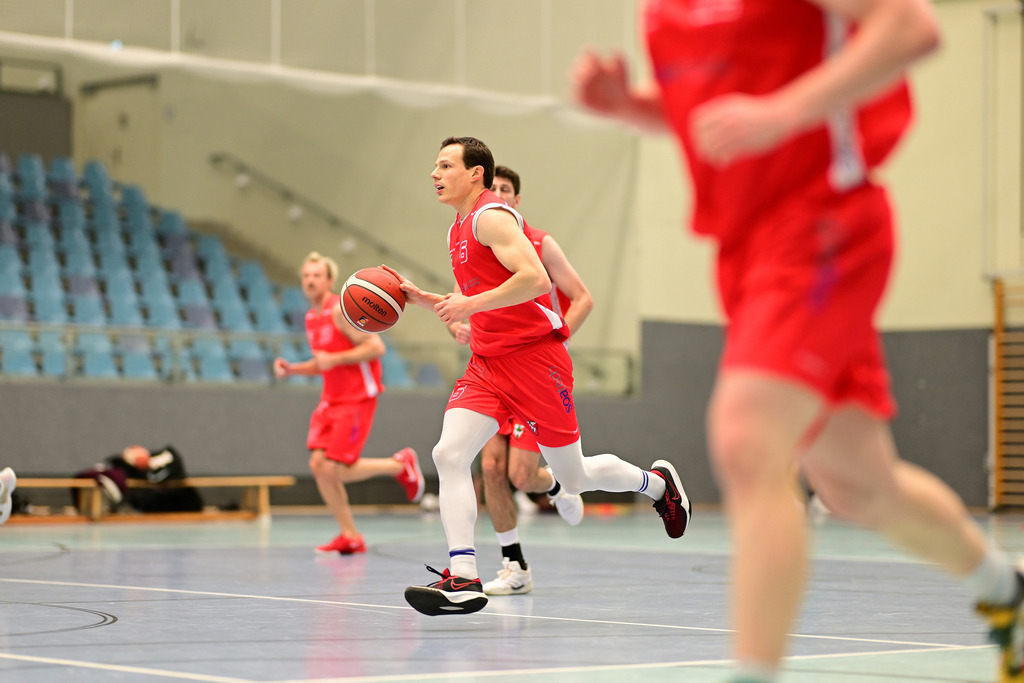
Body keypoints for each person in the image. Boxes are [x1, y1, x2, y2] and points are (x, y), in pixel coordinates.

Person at [573, 2, 1024, 682]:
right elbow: (717, 114)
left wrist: (783, 113)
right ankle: (1007, 591)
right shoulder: (664, 9)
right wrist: (631, 107)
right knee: (857, 485)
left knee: (747, 439)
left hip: (823, 228)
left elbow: (912, 28)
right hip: (745, 252)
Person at [389, 136, 691, 616]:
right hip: (487, 365)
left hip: (534, 361)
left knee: (574, 475)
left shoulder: (492, 217)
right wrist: (432, 301)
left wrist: (470, 303)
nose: (434, 173)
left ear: (475, 174)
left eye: (445, 165)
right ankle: (464, 576)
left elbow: (535, 280)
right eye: (435, 165)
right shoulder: (456, 229)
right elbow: (478, 296)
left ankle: (656, 485)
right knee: (448, 453)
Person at [448, 164, 593, 596]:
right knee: (491, 468)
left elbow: (583, 298)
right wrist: (458, 324)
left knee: (523, 475)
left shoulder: (539, 243)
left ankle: (560, 483)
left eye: (504, 189)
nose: (496, 194)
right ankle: (514, 565)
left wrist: (557, 340)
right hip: (493, 368)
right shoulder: (473, 237)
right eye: (491, 187)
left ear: (516, 199)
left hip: (533, 367)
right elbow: (466, 300)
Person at [274, 251, 424, 555]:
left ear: (330, 281)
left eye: (317, 275)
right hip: (331, 398)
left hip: (356, 397)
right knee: (318, 466)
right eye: (306, 275)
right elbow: (324, 363)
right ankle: (350, 536)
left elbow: (375, 347)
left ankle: (399, 465)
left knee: (334, 470)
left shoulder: (341, 311)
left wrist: (335, 359)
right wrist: (293, 370)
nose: (310, 280)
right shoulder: (311, 317)